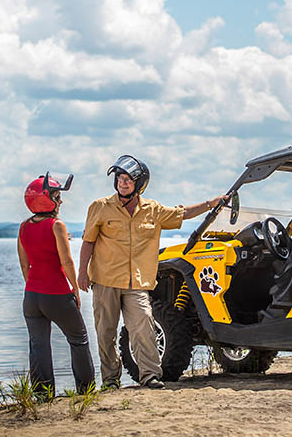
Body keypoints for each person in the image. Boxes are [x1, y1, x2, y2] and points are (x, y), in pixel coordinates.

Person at [77, 154, 226, 389]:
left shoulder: (153, 210)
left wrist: (211, 203)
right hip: (105, 279)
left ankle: (149, 375)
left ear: (140, 184)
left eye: (128, 179)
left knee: (144, 326)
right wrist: (82, 272)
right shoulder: (100, 207)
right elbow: (88, 241)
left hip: (137, 282)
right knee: (106, 333)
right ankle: (110, 380)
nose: (123, 182)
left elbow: (182, 213)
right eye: (120, 178)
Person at [16, 172, 95, 398]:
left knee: (38, 345)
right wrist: (75, 290)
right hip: (57, 294)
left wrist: (34, 287)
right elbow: (66, 261)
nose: (61, 202)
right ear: (46, 199)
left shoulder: (23, 227)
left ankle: (42, 394)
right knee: (79, 339)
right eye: (58, 197)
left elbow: (24, 265)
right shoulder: (56, 225)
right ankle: (86, 391)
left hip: (31, 296)